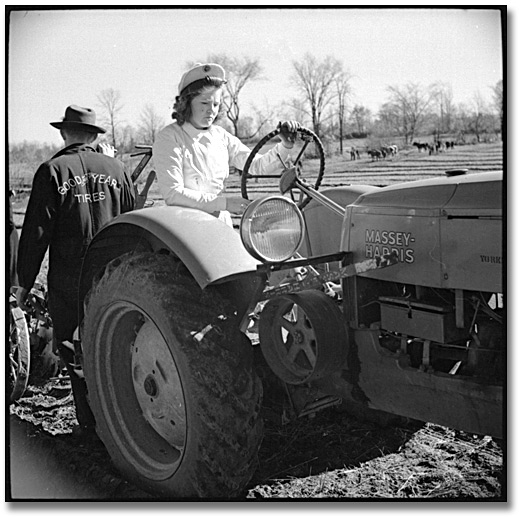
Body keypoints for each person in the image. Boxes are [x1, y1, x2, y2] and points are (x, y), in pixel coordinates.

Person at [16, 105, 136, 433]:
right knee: (118, 342)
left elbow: (35, 235)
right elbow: (133, 218)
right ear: (93, 136)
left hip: (70, 277)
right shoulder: (118, 169)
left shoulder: (52, 171)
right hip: (115, 274)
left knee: (72, 346)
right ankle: (126, 422)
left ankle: (92, 425)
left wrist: (23, 283)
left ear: (63, 133)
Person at [153, 63, 301, 225]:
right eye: (204, 103)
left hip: (220, 224)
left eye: (215, 104)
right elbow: (173, 194)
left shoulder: (220, 136)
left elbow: (256, 166)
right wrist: (225, 203)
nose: (211, 110)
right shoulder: (169, 137)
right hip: (186, 226)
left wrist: (285, 145)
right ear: (186, 103)